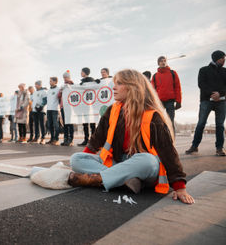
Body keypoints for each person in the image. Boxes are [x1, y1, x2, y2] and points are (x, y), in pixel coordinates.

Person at [68, 69, 194, 205]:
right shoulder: (112, 110)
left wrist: (180, 187)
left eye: (119, 83)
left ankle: (99, 179)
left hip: (141, 166)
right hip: (118, 162)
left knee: (148, 160)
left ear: (133, 87)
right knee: (76, 159)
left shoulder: (152, 116)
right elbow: (97, 139)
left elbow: (168, 151)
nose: (114, 87)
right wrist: (85, 160)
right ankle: (125, 180)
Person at [186, 50, 226, 156]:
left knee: (220, 125)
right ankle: (194, 146)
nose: (224, 60)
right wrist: (212, 94)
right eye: (222, 58)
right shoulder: (203, 70)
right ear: (216, 58)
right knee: (201, 124)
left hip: (221, 101)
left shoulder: (225, 71)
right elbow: (201, 84)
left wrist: (220, 94)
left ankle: (219, 148)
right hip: (206, 100)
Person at [151, 56, 182, 129]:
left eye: (164, 61)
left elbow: (177, 87)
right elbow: (152, 91)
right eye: (161, 61)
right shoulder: (155, 76)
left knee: (170, 122)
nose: (163, 62)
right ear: (158, 63)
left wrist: (178, 101)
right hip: (159, 102)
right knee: (158, 121)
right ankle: (160, 139)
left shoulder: (173, 73)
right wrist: (153, 102)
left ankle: (171, 139)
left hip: (170, 102)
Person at [78, 67, 100, 146]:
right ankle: (86, 139)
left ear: (85, 72)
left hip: (91, 105)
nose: (81, 73)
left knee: (92, 123)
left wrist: (97, 82)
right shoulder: (81, 82)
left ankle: (93, 140)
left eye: (81, 72)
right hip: (84, 105)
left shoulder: (91, 80)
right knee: (85, 123)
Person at [58, 70, 75, 146]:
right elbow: (58, 96)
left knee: (70, 123)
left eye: (66, 77)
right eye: (64, 77)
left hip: (70, 106)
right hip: (63, 106)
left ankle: (71, 139)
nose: (65, 79)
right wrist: (60, 91)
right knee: (65, 123)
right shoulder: (62, 86)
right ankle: (65, 139)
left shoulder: (73, 85)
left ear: (69, 77)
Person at [31, 80, 47, 144]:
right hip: (34, 110)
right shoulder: (34, 92)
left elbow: (45, 100)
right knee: (36, 124)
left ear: (40, 85)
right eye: (35, 84)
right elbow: (33, 101)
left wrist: (41, 106)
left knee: (42, 124)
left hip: (41, 110)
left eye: (36, 84)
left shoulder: (43, 92)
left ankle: (43, 138)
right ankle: (36, 137)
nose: (35, 86)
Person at [46, 77, 60, 145]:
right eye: (49, 81)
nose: (49, 82)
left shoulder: (58, 89)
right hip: (48, 109)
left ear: (55, 82)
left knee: (56, 125)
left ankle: (56, 139)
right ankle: (51, 139)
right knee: (50, 125)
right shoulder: (48, 90)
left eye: (51, 81)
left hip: (55, 109)